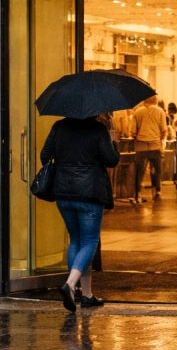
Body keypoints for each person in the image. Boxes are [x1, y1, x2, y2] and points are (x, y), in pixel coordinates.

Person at [40, 115, 119, 312]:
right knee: (90, 241)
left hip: (63, 192)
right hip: (89, 193)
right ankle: (70, 284)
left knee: (76, 240)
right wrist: (114, 142)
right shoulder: (98, 129)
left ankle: (86, 294)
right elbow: (111, 160)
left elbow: (44, 156)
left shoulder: (59, 126)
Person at [132, 95, 169, 202]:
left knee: (139, 172)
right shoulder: (160, 111)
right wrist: (158, 139)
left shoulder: (137, 112)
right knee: (156, 170)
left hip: (141, 147)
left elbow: (133, 132)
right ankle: (157, 192)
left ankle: (137, 193)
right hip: (155, 146)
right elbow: (164, 130)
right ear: (155, 101)